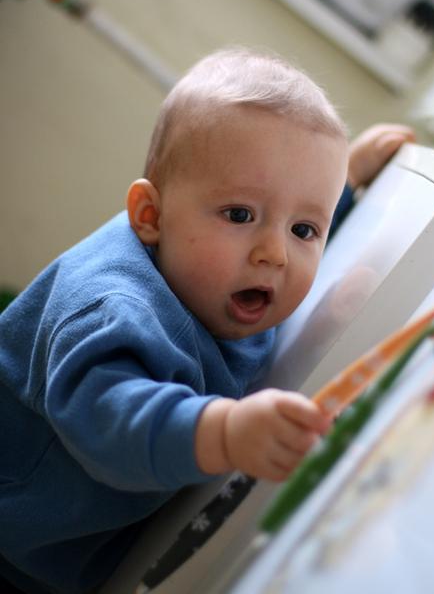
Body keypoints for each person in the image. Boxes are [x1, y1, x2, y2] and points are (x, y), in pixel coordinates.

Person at [0, 48, 413, 594]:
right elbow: (111, 422)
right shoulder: (111, 310)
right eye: (240, 215)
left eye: (303, 230)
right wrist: (225, 431)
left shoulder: (214, 272)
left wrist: (349, 186)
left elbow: (283, 213)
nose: (275, 254)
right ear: (151, 216)